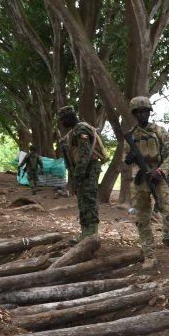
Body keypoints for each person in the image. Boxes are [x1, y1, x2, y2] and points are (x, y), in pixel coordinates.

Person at [123, 96, 169, 270]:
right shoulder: (131, 135)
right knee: (142, 218)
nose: (142, 115)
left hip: (158, 177)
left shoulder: (159, 131)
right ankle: (149, 255)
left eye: (145, 111)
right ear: (134, 114)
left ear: (149, 112)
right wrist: (130, 156)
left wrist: (160, 171)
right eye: (138, 112)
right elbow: (126, 158)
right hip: (139, 179)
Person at [57, 105, 106, 245]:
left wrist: (77, 176)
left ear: (69, 117)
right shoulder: (76, 130)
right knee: (83, 201)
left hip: (88, 169)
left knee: (88, 200)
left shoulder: (81, 130)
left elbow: (84, 155)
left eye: (63, 120)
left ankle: (91, 233)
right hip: (85, 170)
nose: (62, 123)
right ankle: (86, 231)